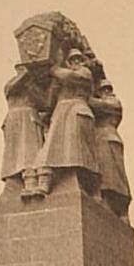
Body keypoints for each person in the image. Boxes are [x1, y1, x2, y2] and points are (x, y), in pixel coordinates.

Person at [33, 49, 100, 195]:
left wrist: (53, 68)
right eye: (72, 60)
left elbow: (70, 76)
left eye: (79, 59)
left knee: (74, 148)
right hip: (60, 113)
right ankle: (45, 181)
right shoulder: (61, 78)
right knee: (50, 147)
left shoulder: (84, 73)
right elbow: (49, 101)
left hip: (76, 109)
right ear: (68, 62)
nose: (76, 62)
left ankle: (84, 184)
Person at [0, 64, 50, 197]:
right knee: (16, 153)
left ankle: (32, 181)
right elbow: (11, 89)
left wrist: (34, 83)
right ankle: (21, 181)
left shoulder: (33, 87)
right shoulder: (12, 83)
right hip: (15, 118)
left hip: (30, 117)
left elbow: (44, 102)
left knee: (32, 151)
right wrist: (27, 74)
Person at [90, 81, 131, 217]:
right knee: (105, 172)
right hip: (99, 139)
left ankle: (114, 204)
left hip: (108, 137)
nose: (105, 93)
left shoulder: (113, 102)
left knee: (112, 174)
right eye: (102, 90)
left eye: (106, 90)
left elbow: (94, 104)